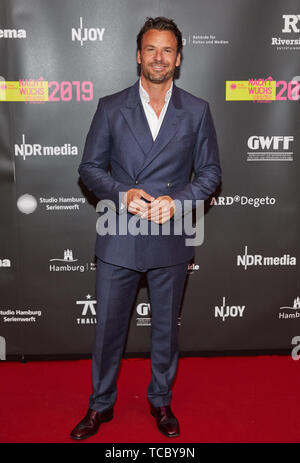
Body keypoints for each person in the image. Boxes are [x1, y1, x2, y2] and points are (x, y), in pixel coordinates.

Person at [70, 16, 221, 440]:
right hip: (119, 233)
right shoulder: (111, 106)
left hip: (171, 236)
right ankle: (100, 406)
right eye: (151, 49)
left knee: (164, 331)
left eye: (167, 50)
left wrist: (178, 202)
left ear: (178, 58)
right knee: (107, 331)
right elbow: (89, 168)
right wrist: (123, 194)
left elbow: (210, 174)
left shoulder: (196, 110)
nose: (159, 57)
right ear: (139, 56)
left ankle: (161, 400)